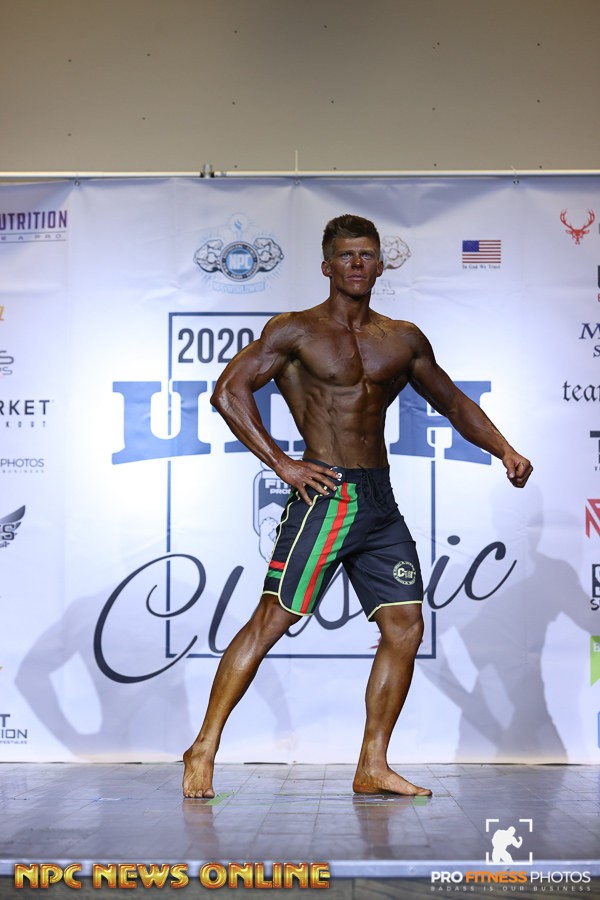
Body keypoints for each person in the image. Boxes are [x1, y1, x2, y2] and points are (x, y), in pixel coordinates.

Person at [182, 214, 532, 798]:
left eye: (367, 255)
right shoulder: (294, 331)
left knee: (405, 625)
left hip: (379, 500)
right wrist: (282, 463)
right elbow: (227, 391)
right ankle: (203, 747)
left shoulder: (402, 338)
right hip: (327, 496)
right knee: (272, 621)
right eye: (346, 255)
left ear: (380, 264)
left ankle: (372, 764)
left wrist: (504, 449)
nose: (357, 264)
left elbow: (451, 401)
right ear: (327, 265)